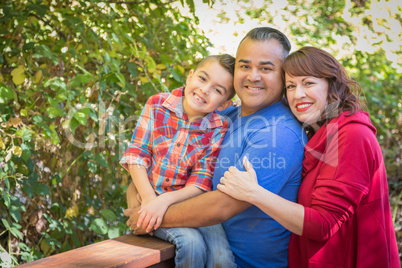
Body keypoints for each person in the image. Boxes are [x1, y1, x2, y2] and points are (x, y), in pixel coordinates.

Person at [126, 27, 307, 268]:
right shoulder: (221, 118)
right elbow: (154, 160)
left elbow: (222, 205)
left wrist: (148, 216)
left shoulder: (279, 133)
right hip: (197, 250)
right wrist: (140, 200)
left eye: (266, 68)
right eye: (244, 66)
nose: (253, 76)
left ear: (284, 76)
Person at [218, 46, 401, 267]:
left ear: (331, 84)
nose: (298, 94)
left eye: (308, 83)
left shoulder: (353, 134)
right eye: (291, 86)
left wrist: (254, 193)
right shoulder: (318, 134)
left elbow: (324, 224)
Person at [120, 54, 237, 267]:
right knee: (192, 245)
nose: (205, 89)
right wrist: (148, 199)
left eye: (217, 90)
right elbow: (137, 154)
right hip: (148, 195)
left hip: (188, 204)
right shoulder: (158, 104)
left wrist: (162, 202)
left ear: (224, 104)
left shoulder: (219, 127)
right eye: (202, 79)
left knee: (222, 257)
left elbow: (201, 181)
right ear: (190, 76)